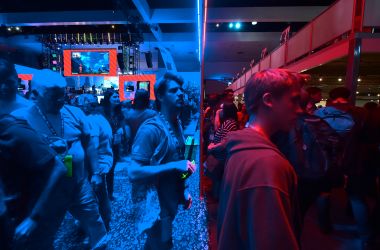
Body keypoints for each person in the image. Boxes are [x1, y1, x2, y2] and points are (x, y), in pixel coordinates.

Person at [13, 69, 108, 249]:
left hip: (79, 184)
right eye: (53, 96)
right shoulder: (21, 118)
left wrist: (96, 173)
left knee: (96, 225)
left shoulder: (74, 113)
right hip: (46, 191)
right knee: (44, 234)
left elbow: (89, 144)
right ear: (35, 94)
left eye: (62, 95)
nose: (60, 100)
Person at [216, 69, 304, 250]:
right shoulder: (266, 165)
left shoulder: (243, 146)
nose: (300, 109)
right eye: (294, 100)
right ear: (268, 100)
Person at [0, 59, 68, 249]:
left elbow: (58, 166)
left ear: (17, 80)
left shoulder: (20, 116)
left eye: (8, 81)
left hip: (28, 193)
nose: (4, 87)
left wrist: (34, 216)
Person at [127, 72, 196, 249]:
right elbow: (133, 172)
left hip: (170, 198)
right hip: (156, 206)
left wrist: (184, 190)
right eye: (174, 90)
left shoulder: (177, 123)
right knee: (162, 243)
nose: (181, 93)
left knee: (160, 243)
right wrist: (174, 166)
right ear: (160, 96)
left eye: (181, 89)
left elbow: (180, 161)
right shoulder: (151, 129)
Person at [83, 100, 113, 232]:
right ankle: (105, 224)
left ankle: (103, 227)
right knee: (102, 194)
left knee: (97, 197)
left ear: (90, 106)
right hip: (105, 159)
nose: (82, 106)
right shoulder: (102, 118)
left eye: (85, 103)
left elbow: (93, 144)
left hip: (97, 162)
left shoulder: (91, 120)